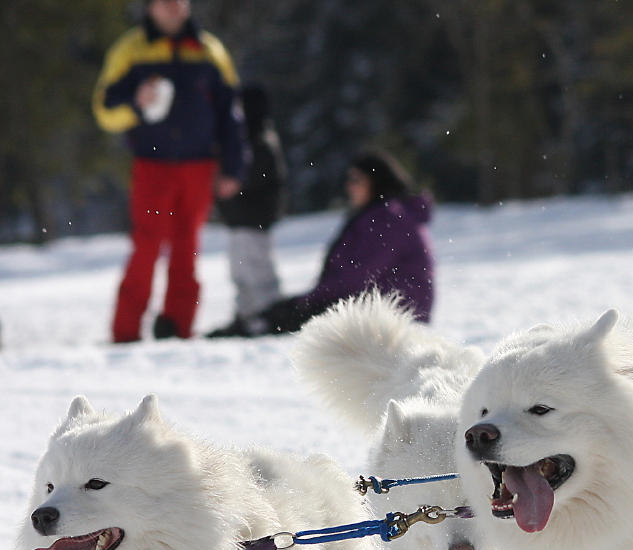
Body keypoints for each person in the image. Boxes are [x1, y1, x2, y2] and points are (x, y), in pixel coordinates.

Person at [93, 0, 248, 342]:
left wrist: (234, 166)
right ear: (149, 7)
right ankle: (125, 334)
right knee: (146, 247)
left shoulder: (210, 50)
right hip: (151, 165)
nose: (174, 7)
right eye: (165, 1)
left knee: (187, 249)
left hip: (199, 166)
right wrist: (136, 101)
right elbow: (105, 112)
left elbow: (231, 115)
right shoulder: (130, 49)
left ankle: (178, 329)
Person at [256, 151, 434, 335]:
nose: (349, 186)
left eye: (357, 180)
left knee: (287, 319)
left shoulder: (389, 219)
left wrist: (305, 301)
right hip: (375, 307)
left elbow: (359, 276)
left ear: (376, 182)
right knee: (286, 315)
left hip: (395, 317)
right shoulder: (378, 216)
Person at [208, 86, 287, 338]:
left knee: (258, 274)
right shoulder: (249, 140)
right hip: (240, 221)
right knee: (241, 273)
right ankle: (247, 317)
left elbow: (254, 177)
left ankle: (268, 317)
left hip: (253, 221)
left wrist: (228, 181)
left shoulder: (261, 141)